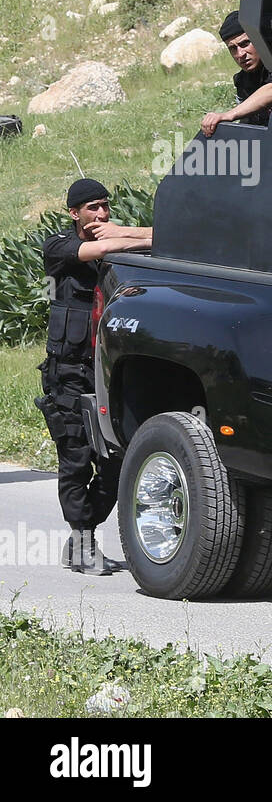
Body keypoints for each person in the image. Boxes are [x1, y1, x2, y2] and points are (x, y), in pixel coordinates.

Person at [37, 178, 152, 575]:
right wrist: (121, 236)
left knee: (119, 459)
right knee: (75, 458)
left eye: (105, 206)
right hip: (67, 374)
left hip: (107, 372)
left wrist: (128, 232)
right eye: (93, 208)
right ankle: (83, 540)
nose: (101, 214)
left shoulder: (115, 245)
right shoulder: (59, 248)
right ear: (74, 213)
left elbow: (159, 239)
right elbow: (100, 248)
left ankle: (82, 534)